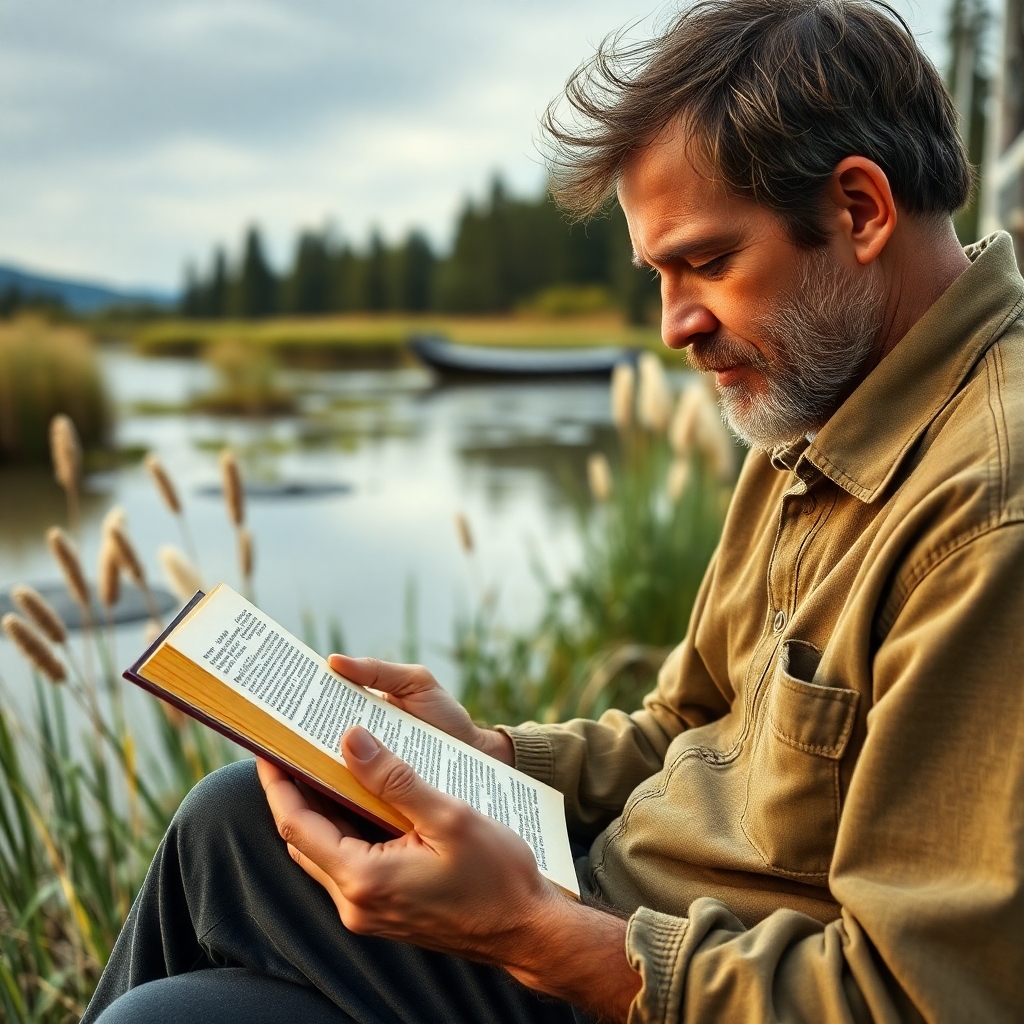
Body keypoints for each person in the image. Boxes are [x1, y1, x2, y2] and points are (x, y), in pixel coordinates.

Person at [84, 1, 1024, 1022]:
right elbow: (689, 723)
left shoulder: (986, 516)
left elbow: (917, 999)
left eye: (707, 262)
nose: (673, 326)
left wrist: (525, 930)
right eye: (656, 275)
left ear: (859, 210)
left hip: (654, 981)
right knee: (234, 819)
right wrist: (489, 761)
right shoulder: (821, 402)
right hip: (613, 906)